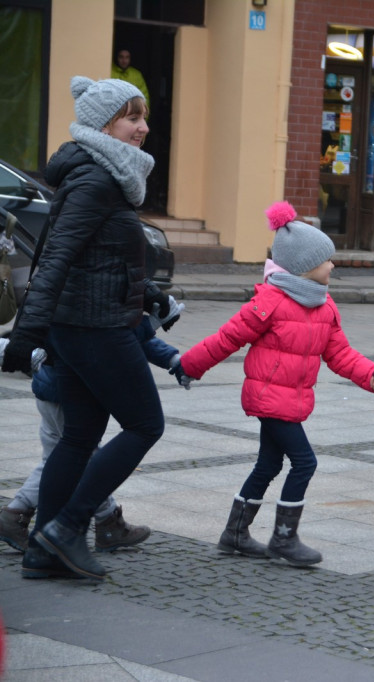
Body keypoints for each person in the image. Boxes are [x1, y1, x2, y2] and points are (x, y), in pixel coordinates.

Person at [0, 76, 171, 581]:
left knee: (78, 436)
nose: (141, 128)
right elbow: (55, 258)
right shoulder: (98, 180)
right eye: (130, 117)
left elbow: (98, 257)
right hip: (93, 327)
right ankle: (69, 527)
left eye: (142, 117)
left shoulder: (105, 176)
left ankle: (42, 550)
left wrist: (149, 294)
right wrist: (25, 334)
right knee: (145, 424)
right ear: (103, 124)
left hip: (83, 322)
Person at [178, 201, 374, 567]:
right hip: (269, 397)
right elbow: (228, 337)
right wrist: (189, 366)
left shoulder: (324, 306)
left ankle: (235, 534)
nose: (332, 265)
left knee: (269, 465)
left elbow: (342, 356)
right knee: (304, 463)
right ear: (305, 267)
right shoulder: (270, 302)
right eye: (326, 260)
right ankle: (284, 538)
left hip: (291, 399)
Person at [0, 305, 182, 559]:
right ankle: (105, 523)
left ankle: (15, 515)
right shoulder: (98, 297)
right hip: (65, 392)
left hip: (48, 388)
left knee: (56, 458)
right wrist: (155, 328)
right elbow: (130, 338)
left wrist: (171, 356)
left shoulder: (66, 293)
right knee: (82, 455)